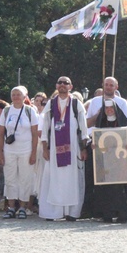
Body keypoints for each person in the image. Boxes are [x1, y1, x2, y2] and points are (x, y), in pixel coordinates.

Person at [39, 77, 88, 221]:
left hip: (73, 148)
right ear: (56, 85)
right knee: (54, 178)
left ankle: (71, 212)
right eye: (59, 82)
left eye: (65, 83)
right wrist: (45, 148)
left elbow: (83, 128)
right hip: (54, 149)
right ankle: (53, 212)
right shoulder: (51, 103)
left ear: (70, 86)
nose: (62, 85)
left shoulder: (75, 104)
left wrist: (83, 148)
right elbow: (45, 127)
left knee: (72, 179)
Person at [0, 86, 38, 219]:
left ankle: (22, 207)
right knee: (10, 178)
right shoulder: (6, 111)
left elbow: (34, 133)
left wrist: (33, 153)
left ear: (24, 96)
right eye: (13, 94)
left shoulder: (30, 111)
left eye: (18, 94)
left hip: (26, 150)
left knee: (25, 178)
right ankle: (11, 207)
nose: (16, 97)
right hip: (10, 150)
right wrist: (0, 151)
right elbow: (1, 132)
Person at [90, 99, 127, 222]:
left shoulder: (123, 122)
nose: (109, 110)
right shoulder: (100, 122)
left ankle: (122, 215)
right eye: (107, 109)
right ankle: (106, 215)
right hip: (104, 160)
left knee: (118, 189)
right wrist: (93, 145)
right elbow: (96, 139)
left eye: (111, 108)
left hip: (119, 160)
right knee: (105, 189)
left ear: (115, 109)